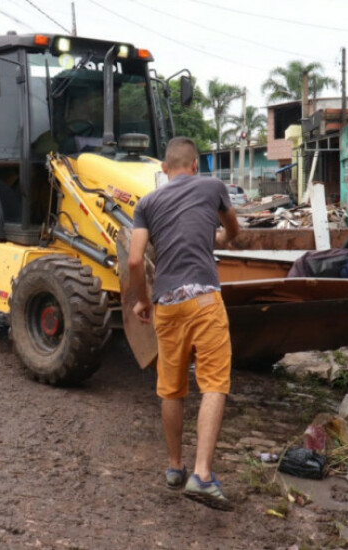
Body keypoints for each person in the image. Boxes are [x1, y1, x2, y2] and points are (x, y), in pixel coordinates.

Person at [127, 136, 241, 511]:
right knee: (213, 384)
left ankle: (175, 467)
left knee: (170, 389)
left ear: (164, 170)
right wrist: (222, 237)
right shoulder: (213, 187)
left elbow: (133, 261)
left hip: (166, 305)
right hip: (205, 300)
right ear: (195, 165)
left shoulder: (147, 203)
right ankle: (202, 475)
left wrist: (143, 299)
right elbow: (233, 232)